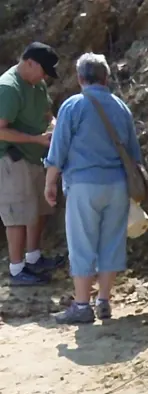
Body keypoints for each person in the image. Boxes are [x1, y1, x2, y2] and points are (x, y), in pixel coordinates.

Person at [44, 53, 143, 324]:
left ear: (79, 78)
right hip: (118, 186)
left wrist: (49, 182)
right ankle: (104, 301)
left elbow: (58, 149)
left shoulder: (73, 105)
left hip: (84, 185)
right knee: (111, 242)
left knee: (82, 243)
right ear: (106, 78)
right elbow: (134, 153)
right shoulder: (121, 107)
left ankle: (81, 305)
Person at [0, 41, 66, 286]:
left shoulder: (36, 84)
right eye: (44, 70)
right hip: (11, 158)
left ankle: (34, 258)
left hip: (36, 155)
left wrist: (57, 130)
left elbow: (48, 115)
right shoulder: (8, 88)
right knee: (16, 215)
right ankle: (17, 270)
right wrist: (35, 139)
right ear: (29, 63)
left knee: (39, 209)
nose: (45, 77)